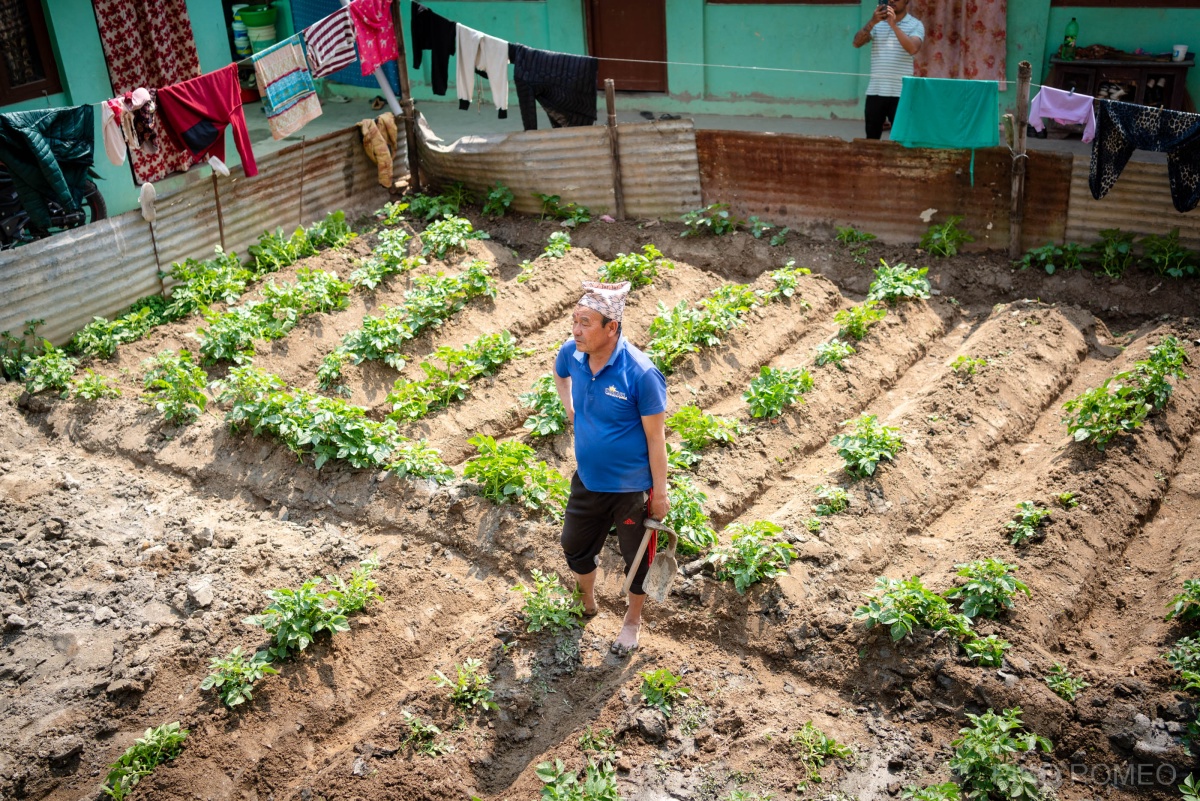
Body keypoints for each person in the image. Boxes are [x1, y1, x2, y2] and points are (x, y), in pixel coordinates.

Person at [553, 280, 669, 657]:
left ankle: (632, 622)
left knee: (637, 559)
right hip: (589, 481)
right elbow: (560, 373)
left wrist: (660, 494)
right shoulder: (572, 354)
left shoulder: (640, 373)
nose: (576, 330)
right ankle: (586, 602)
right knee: (573, 546)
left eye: (586, 322)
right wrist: (568, 407)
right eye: (574, 320)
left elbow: (656, 439)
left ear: (611, 327)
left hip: (633, 489)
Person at [852, 0, 924, 140]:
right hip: (876, 90)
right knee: (871, 139)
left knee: (900, 139)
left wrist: (893, 25)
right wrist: (872, 22)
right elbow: (856, 43)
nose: (891, 1)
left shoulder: (916, 24)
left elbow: (913, 48)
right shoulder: (877, 24)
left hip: (901, 92)